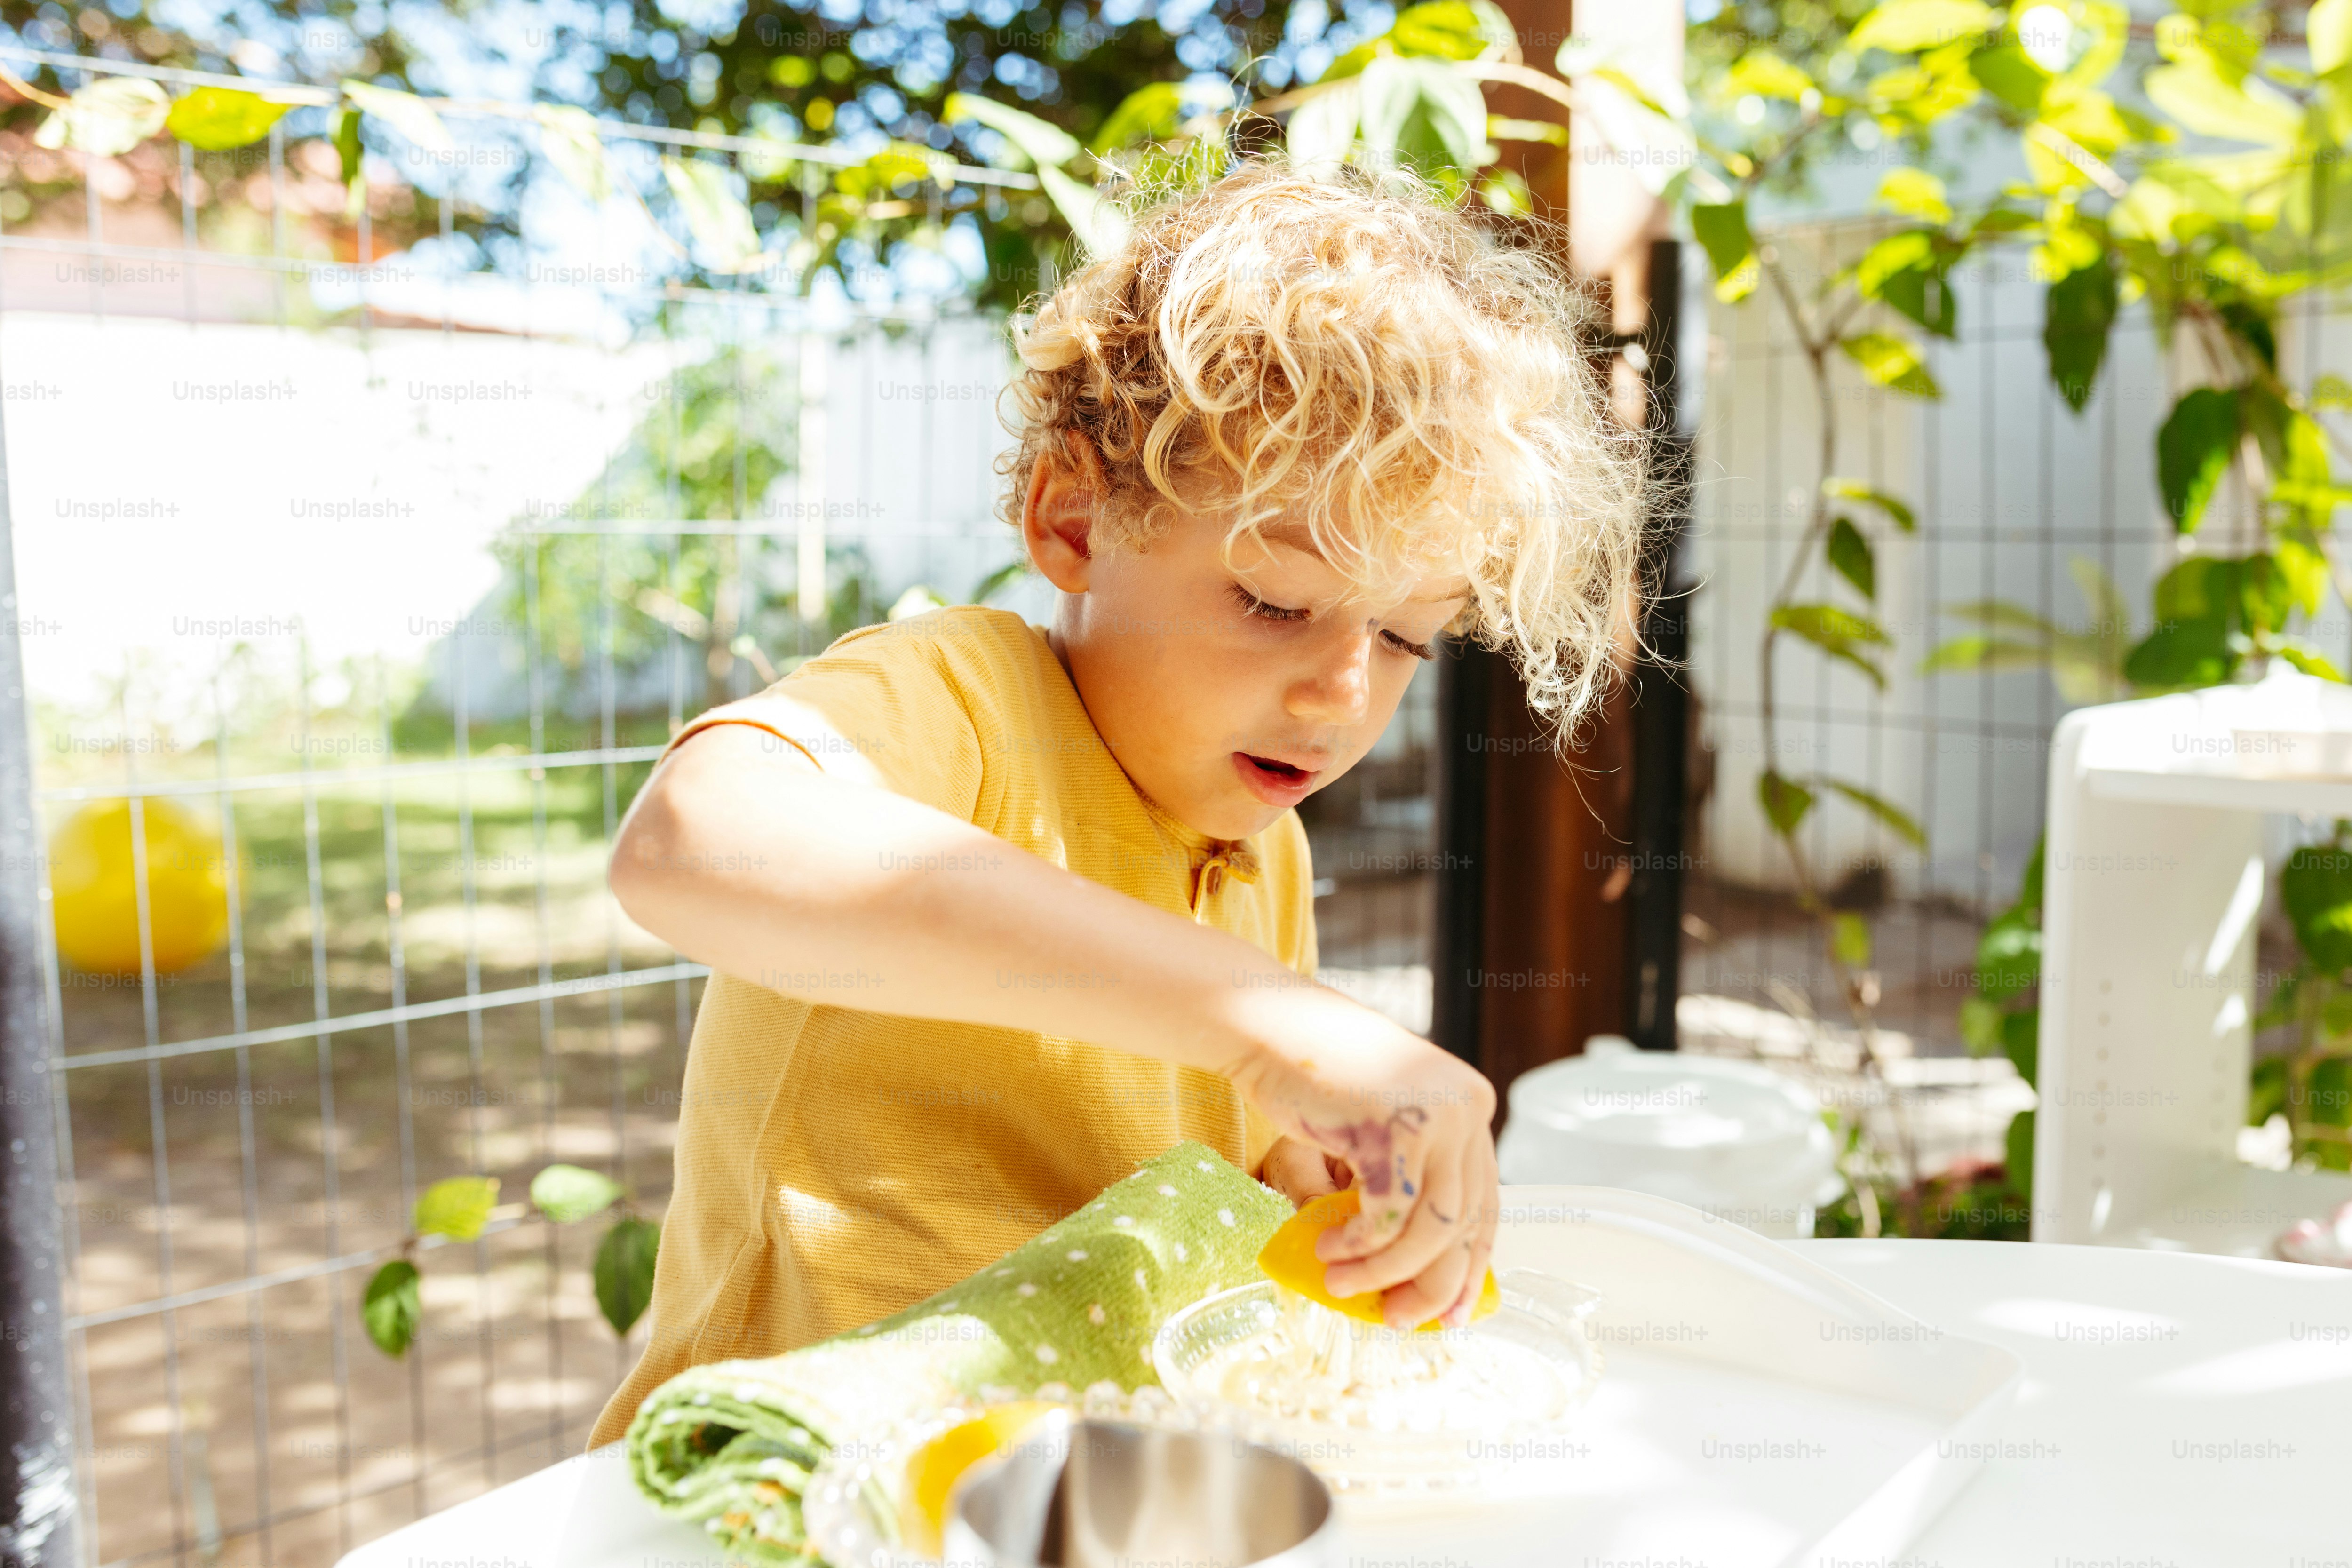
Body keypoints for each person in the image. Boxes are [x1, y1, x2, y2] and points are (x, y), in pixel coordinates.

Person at [587, 158, 1641, 1446]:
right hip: (785, 1488)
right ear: (1072, 514)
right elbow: (692, 844)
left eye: (1411, 640)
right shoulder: (962, 702)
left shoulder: (1268, 856)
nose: (1341, 696)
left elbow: (1222, 1158)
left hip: (1069, 1482)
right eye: (1275, 601)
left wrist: (1344, 1195)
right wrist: (1271, 1028)